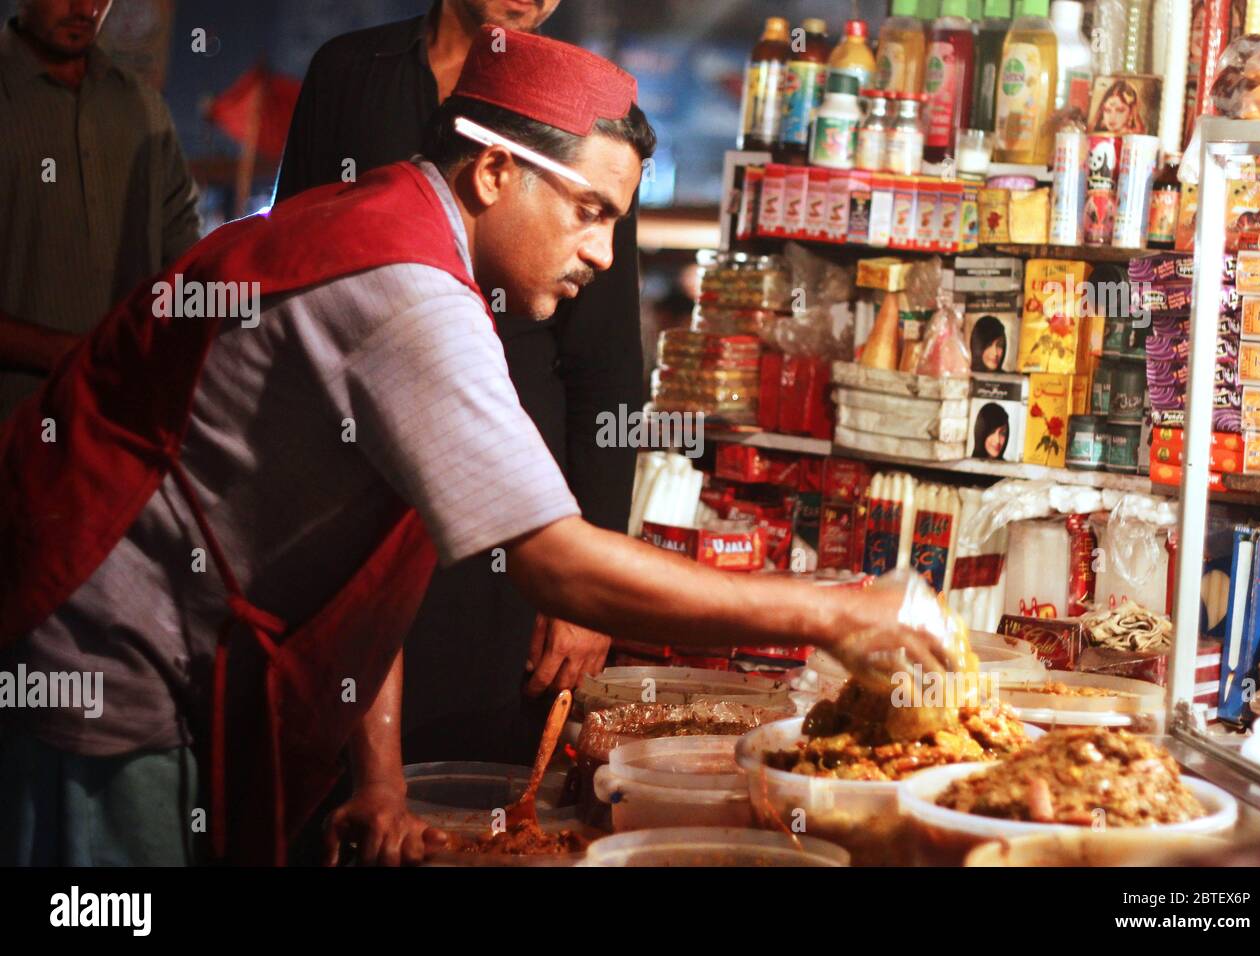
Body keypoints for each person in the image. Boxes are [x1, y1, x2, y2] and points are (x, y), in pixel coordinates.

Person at [0, 28, 956, 867]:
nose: (604, 256)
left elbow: (370, 551)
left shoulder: (400, 225)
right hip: (96, 647)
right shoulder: (410, 293)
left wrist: (378, 781)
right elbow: (557, 566)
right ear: (495, 172)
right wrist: (835, 613)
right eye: (591, 212)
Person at [274, 0, 639, 766]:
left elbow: (607, 373)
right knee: (329, 742)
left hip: (507, 483)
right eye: (588, 214)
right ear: (491, 167)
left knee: (469, 765)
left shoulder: (592, 119)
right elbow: (295, 260)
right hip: (356, 465)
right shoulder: (351, 75)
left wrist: (588, 593)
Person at [0, 0, 200, 420]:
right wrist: (70, 352)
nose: (84, 8)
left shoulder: (144, 109)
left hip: (119, 422)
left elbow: (184, 261)